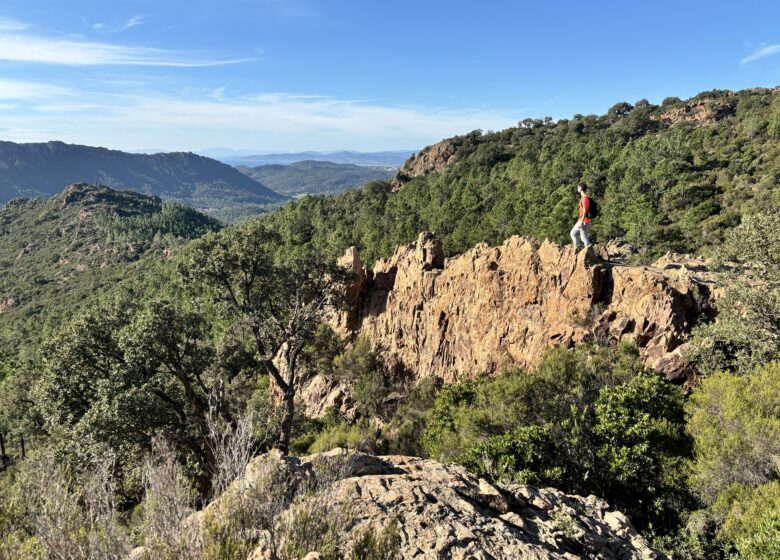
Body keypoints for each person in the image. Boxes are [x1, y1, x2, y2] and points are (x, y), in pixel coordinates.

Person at [570, 182, 591, 250]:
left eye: (578, 187)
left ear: (581, 188)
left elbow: (585, 211)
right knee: (584, 237)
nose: (577, 188)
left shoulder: (584, 198)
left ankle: (578, 248)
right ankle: (583, 249)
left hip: (583, 220)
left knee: (575, 234)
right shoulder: (586, 197)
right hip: (585, 220)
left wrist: (582, 221)